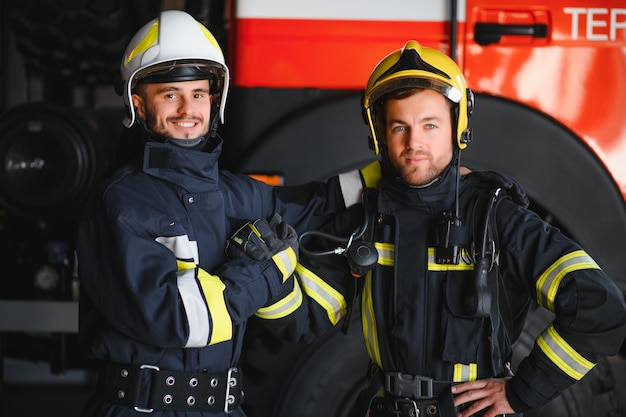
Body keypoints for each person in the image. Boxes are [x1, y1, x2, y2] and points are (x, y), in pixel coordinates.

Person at [229, 40, 626, 417]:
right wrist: (271, 274)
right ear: (379, 135)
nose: (413, 142)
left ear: (458, 128)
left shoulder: (498, 221)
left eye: (430, 125)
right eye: (399, 127)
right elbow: (304, 319)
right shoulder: (365, 221)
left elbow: (599, 307)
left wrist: (520, 391)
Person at [76, 10, 346, 417]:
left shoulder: (234, 194)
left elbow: (318, 205)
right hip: (142, 409)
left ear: (213, 100)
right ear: (139, 104)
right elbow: (179, 321)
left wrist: (411, 173)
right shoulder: (120, 204)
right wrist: (265, 272)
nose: (189, 108)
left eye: (199, 93)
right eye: (171, 94)